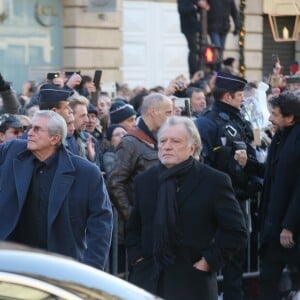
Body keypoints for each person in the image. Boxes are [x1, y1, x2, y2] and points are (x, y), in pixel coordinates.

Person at [126, 116, 247, 300]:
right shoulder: (145, 180)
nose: (167, 146)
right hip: (148, 281)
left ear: (192, 148)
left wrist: (207, 262)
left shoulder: (214, 181)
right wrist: (137, 259)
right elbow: (134, 226)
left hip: (192, 283)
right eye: (163, 141)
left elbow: (235, 231)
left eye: (175, 141)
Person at [0, 110, 113, 270]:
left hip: (61, 264)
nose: (29, 133)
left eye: (37, 129)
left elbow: (101, 222)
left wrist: (92, 268)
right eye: (30, 128)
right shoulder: (13, 151)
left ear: (55, 138)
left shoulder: (85, 173)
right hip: (14, 260)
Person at [195, 72, 261, 300]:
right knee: (217, 255)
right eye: (240, 95)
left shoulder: (238, 119)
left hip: (239, 198)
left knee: (237, 256)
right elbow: (202, 162)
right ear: (227, 96)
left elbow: (250, 155)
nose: (243, 99)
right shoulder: (206, 123)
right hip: (218, 202)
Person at [234, 92, 300, 299]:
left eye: (274, 114)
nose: (270, 118)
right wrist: (248, 165)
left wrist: (289, 225)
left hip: (291, 230)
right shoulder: (281, 137)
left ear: (290, 118)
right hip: (273, 227)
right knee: (268, 281)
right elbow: (274, 174)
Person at [107, 93, 174, 222]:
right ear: (153, 112)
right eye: (168, 112)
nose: (171, 117)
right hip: (143, 222)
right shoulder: (130, 142)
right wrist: (132, 217)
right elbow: (114, 183)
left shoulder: (161, 138)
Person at [177, 0, 210, 78]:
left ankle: (201, 70)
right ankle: (193, 72)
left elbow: (198, 6)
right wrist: (194, 7)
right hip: (188, 27)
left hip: (195, 27)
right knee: (193, 49)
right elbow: (182, 10)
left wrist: (203, 6)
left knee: (200, 49)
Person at [207, 0, 240, 71]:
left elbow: (234, 12)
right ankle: (216, 71)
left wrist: (237, 26)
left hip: (224, 28)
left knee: (220, 50)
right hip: (213, 27)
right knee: (217, 49)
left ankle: (217, 72)